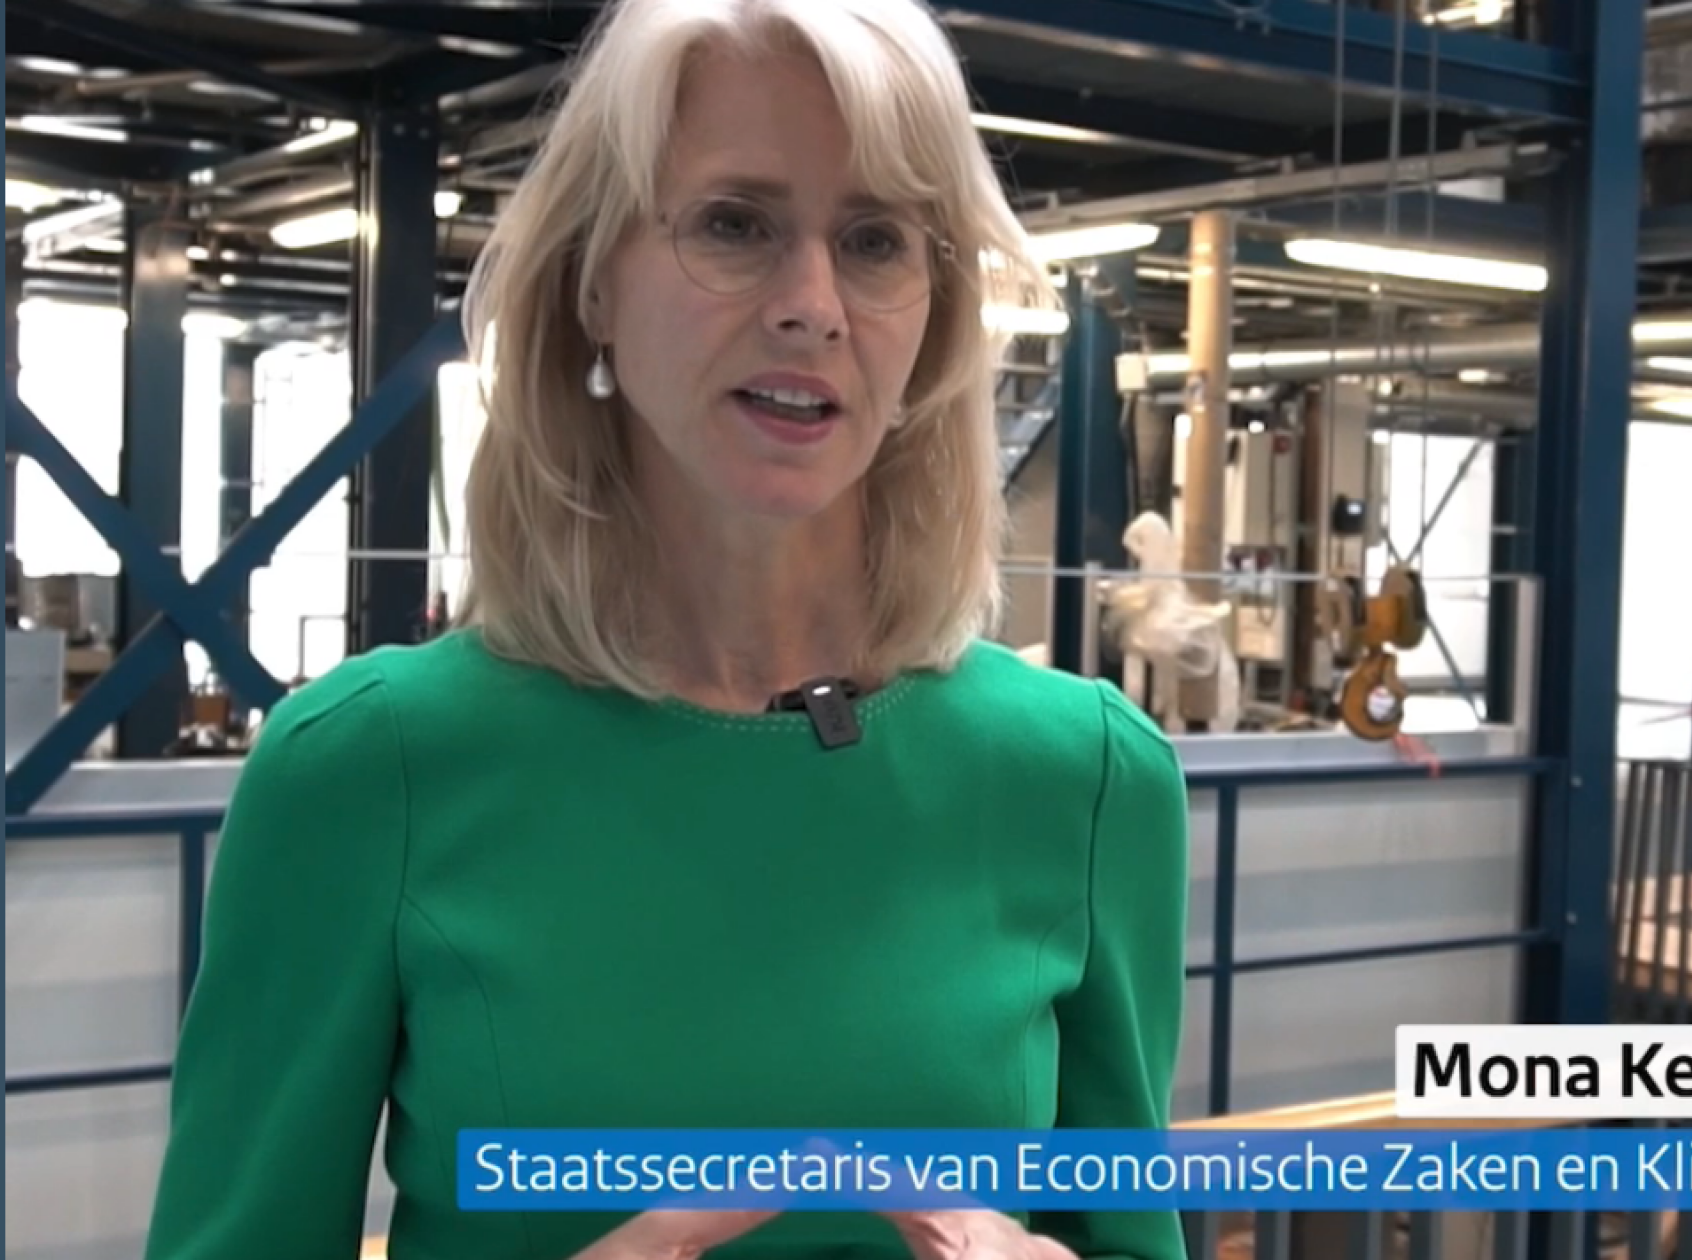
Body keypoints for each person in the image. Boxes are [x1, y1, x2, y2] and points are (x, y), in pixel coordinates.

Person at [141, 0, 1191, 1257]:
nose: (813, 305)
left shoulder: (1088, 781)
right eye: (735, 224)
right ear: (593, 281)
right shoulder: (367, 775)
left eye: (875, 241)